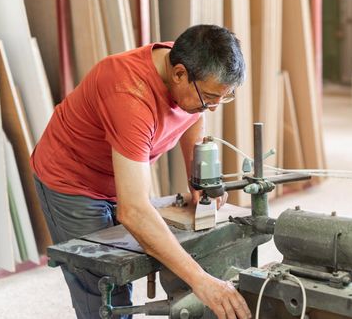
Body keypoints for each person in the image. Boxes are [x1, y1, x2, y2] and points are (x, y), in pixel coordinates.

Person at [30, 24, 252, 319]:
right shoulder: (128, 94)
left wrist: (197, 176)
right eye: (210, 97)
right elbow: (133, 210)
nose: (212, 108)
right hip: (72, 179)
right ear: (179, 74)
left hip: (118, 171)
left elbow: (192, 115)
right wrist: (202, 282)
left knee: (145, 262)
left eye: (222, 98)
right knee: (104, 289)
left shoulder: (194, 60)